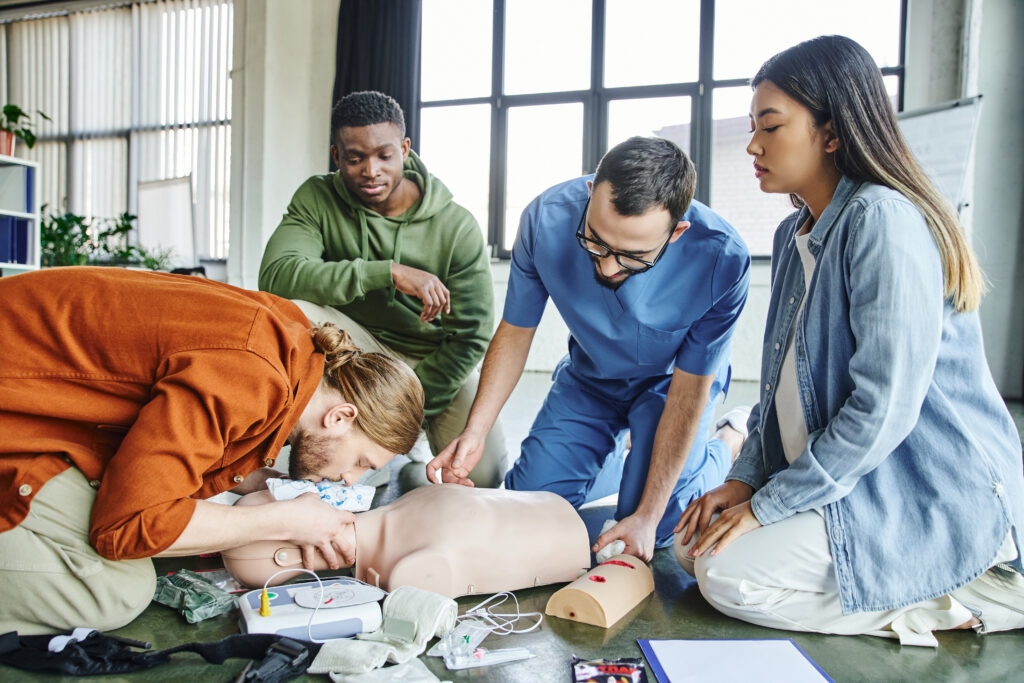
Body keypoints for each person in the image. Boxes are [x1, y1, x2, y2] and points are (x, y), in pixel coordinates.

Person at [675, 35, 1024, 647]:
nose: (753, 144)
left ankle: (957, 596)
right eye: (752, 125)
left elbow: (881, 410)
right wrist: (745, 481)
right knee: (691, 549)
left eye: (771, 126)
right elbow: (781, 389)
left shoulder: (881, 220)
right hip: (850, 482)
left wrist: (765, 509)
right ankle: (912, 586)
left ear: (832, 133)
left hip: (916, 491)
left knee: (726, 576)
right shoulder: (794, 234)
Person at [0, 267, 424, 635]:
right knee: (117, 592)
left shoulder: (294, 345)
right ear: (340, 417)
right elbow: (126, 526)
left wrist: (263, 485)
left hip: (41, 405)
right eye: (361, 463)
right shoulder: (252, 375)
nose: (351, 480)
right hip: (17, 412)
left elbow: (191, 435)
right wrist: (279, 519)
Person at [428, 136, 751, 562]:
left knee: (660, 518)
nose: (608, 265)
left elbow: (690, 389)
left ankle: (728, 440)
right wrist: (474, 433)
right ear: (589, 194)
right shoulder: (544, 218)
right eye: (595, 241)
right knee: (526, 504)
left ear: (676, 233)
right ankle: (620, 453)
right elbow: (515, 331)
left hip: (674, 384)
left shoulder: (723, 257)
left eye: (632, 256)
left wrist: (649, 517)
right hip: (591, 376)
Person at [259, 90, 506, 488]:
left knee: (483, 476)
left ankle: (406, 446)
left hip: (431, 360)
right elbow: (277, 275)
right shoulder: (317, 197)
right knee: (291, 310)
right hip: (354, 348)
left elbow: (471, 334)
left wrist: (405, 407)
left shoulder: (456, 226)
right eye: (355, 158)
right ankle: (295, 439)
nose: (370, 170)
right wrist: (386, 272)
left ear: (405, 150)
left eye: (384, 156)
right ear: (337, 157)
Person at [223, 484, 591, 598]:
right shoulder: (408, 567)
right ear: (286, 558)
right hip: (562, 523)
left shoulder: (405, 563)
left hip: (567, 535)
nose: (309, 496)